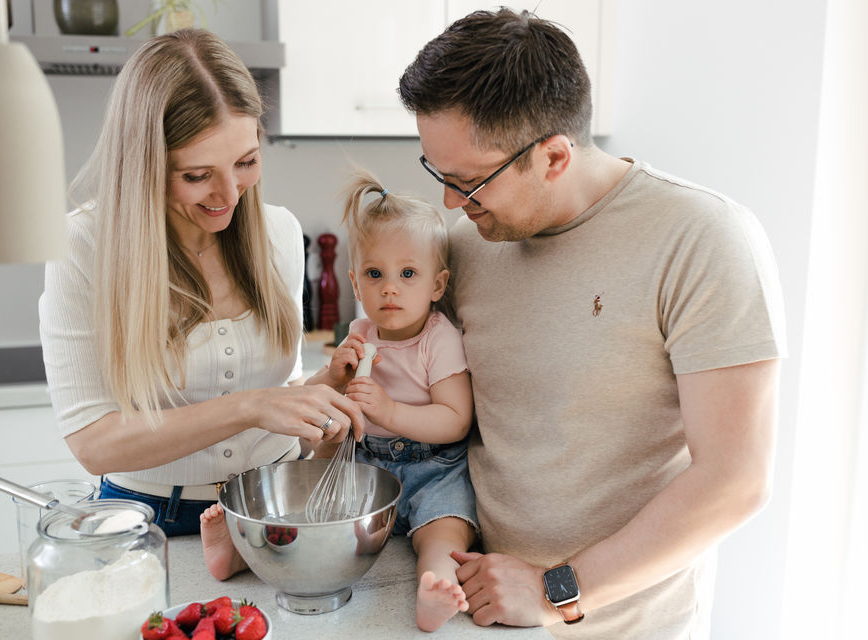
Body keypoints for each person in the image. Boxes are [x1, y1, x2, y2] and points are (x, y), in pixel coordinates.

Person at [398, 8, 786, 639]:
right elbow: (427, 400)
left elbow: (736, 479)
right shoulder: (468, 245)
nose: (450, 203)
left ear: (553, 156)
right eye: (438, 175)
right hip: (480, 617)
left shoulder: (703, 239)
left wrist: (556, 591)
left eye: (467, 181)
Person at [38, 29, 364, 566]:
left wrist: (316, 393)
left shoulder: (279, 233)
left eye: (247, 162)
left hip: (278, 508)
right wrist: (251, 406)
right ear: (143, 165)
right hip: (148, 521)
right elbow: (93, 444)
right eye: (197, 175)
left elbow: (278, 391)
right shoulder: (84, 247)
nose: (230, 195)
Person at [310, 169, 477, 631]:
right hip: (369, 465)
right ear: (355, 283)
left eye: (407, 274)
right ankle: (247, 551)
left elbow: (456, 420)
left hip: (434, 468)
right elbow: (310, 399)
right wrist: (333, 376)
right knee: (322, 521)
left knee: (443, 534)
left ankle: (435, 587)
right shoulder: (359, 332)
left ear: (437, 285)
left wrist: (389, 411)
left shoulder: (439, 339)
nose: (389, 287)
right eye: (374, 274)